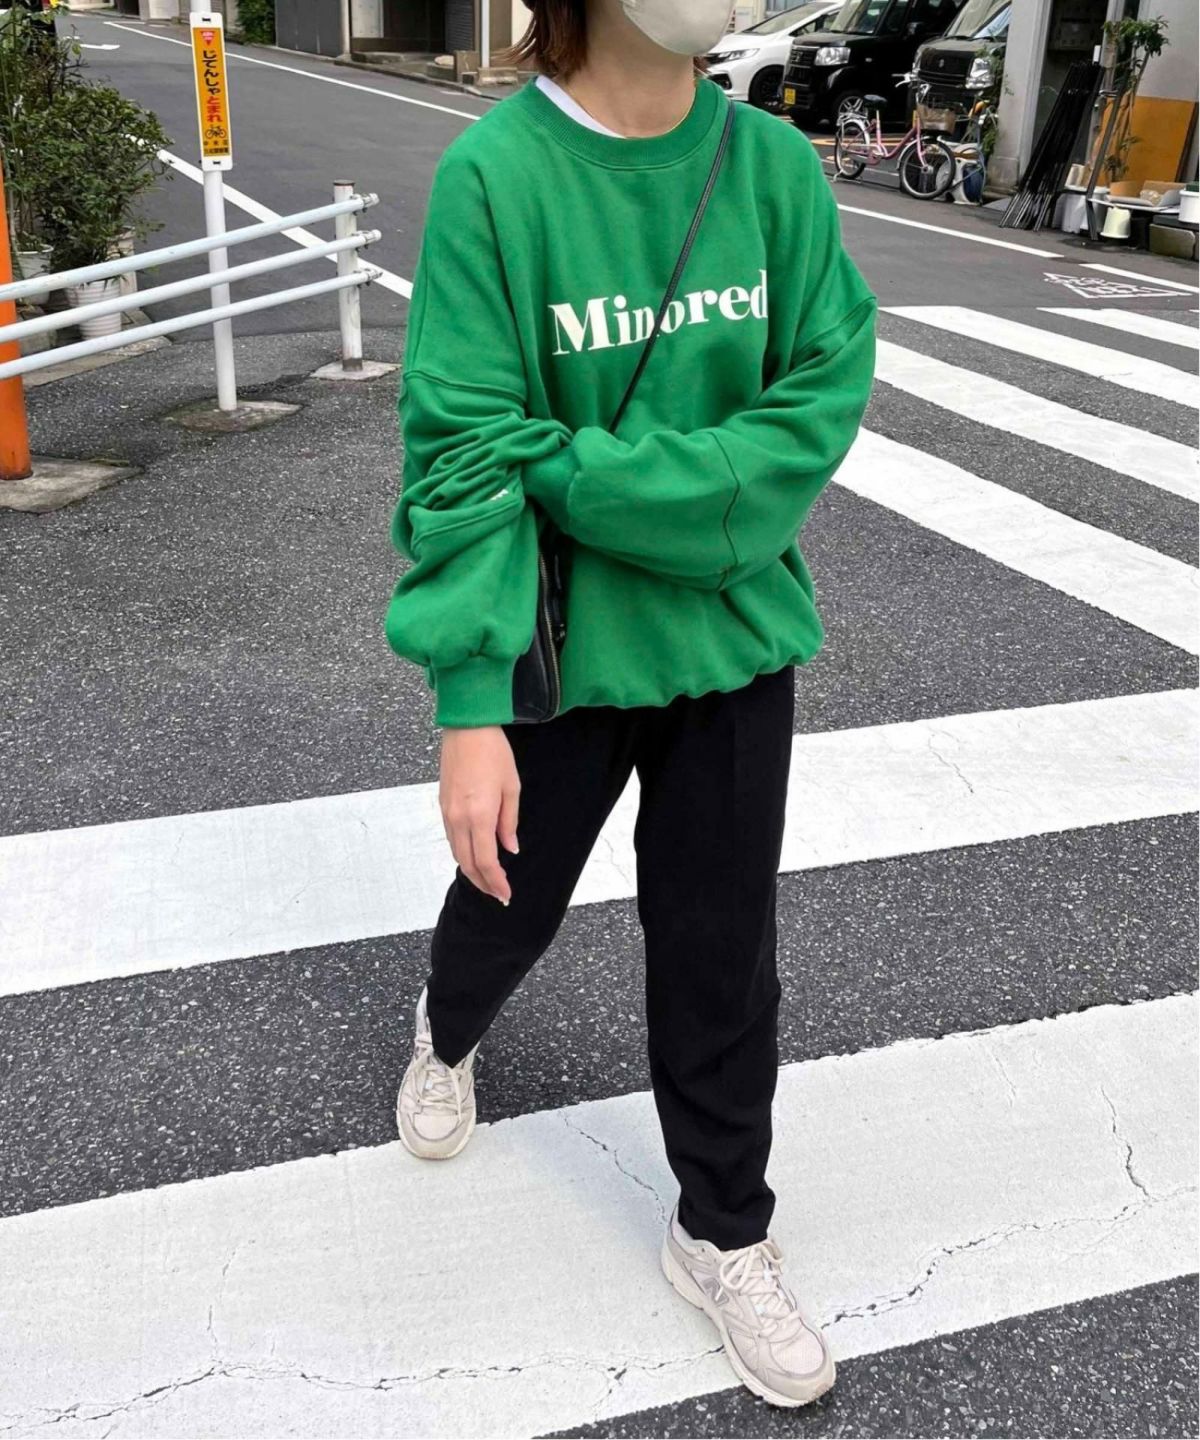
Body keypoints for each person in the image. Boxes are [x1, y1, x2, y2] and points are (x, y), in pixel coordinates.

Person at [384, 0, 876, 1409]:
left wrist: (581, 476)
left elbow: (817, 400)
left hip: (735, 645)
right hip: (560, 648)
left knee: (723, 952)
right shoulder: (499, 175)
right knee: (507, 902)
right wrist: (468, 706)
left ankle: (723, 1229)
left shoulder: (771, 167)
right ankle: (446, 1029)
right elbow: (463, 446)